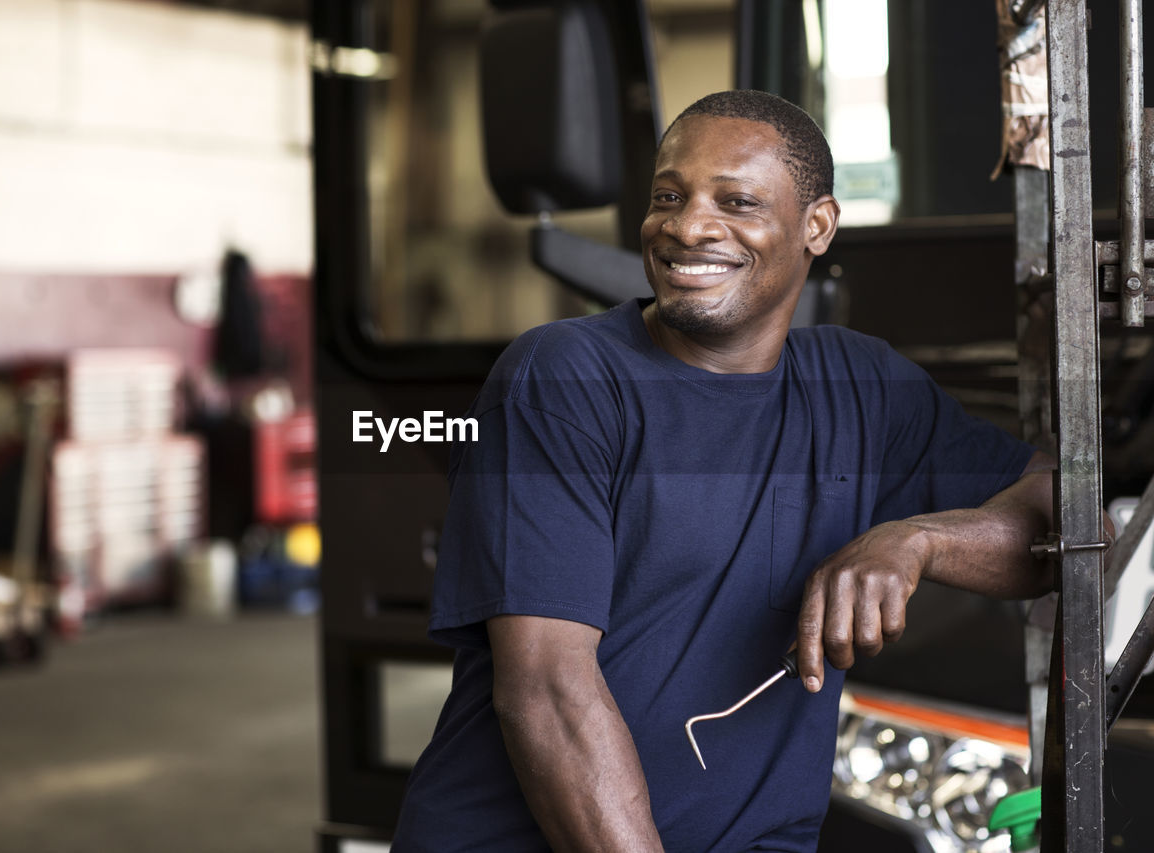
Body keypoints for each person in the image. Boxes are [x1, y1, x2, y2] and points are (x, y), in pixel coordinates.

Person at [390, 90, 1054, 852]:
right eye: (668, 196)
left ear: (818, 227)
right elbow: (548, 692)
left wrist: (919, 541)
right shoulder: (565, 378)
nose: (686, 225)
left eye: (734, 201)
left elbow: (1063, 519)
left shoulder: (862, 387)